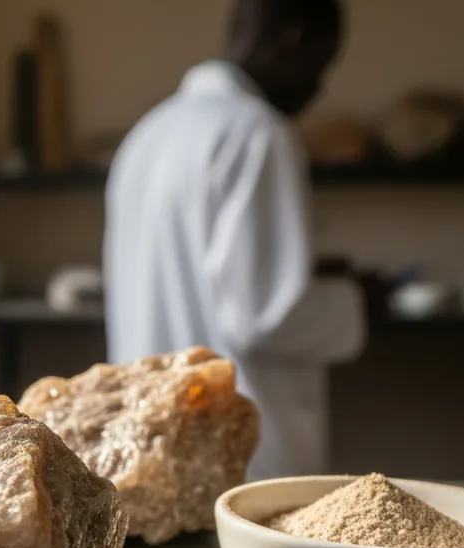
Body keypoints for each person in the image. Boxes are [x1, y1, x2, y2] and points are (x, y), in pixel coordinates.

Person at [104, 0, 365, 480]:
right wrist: (355, 300)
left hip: (150, 449)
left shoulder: (148, 134)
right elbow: (266, 317)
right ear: (294, 39)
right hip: (245, 460)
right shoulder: (257, 132)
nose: (319, 87)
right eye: (321, 64)